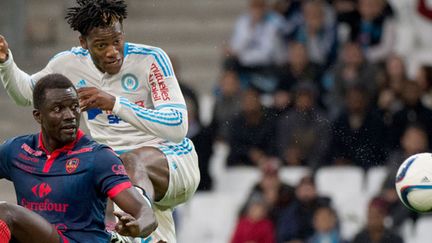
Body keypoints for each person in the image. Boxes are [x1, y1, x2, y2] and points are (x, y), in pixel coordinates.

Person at [0, 0, 200, 242]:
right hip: (126, 176)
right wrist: (6, 63)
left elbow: (178, 126)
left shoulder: (150, 59)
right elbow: (26, 95)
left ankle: (133, 226)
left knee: (129, 162)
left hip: (172, 161)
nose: (112, 51)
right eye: (101, 45)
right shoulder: (67, 64)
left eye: (117, 41)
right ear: (83, 43)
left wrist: (115, 103)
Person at [0, 74, 157, 243]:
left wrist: (138, 227)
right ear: (38, 116)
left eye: (74, 107)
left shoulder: (97, 156)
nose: (70, 116)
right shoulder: (17, 150)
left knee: (5, 212)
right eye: (58, 109)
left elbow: (146, 214)